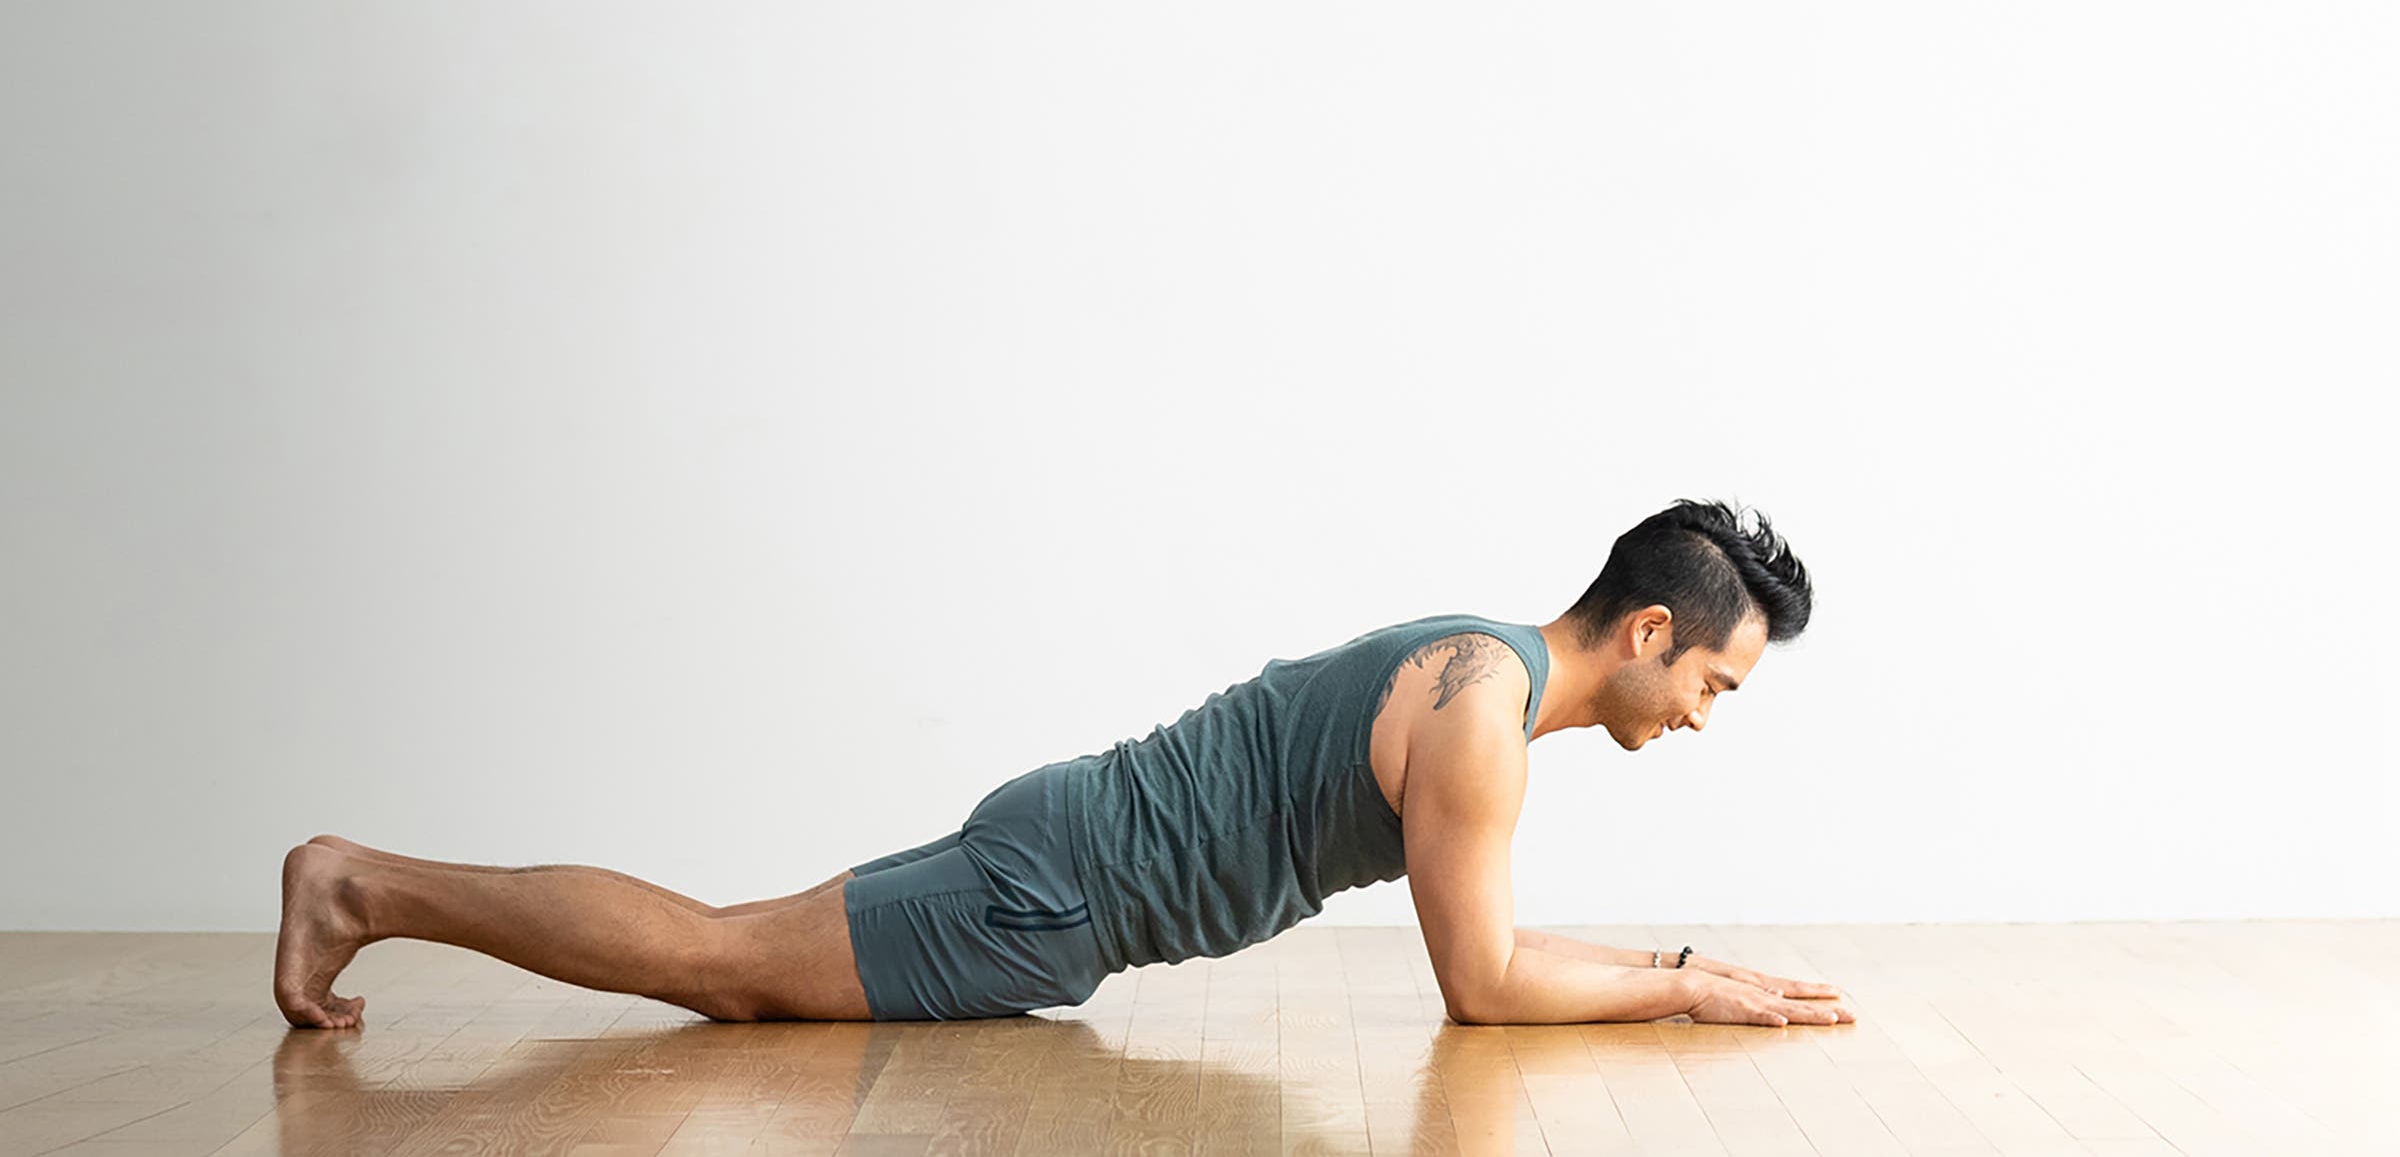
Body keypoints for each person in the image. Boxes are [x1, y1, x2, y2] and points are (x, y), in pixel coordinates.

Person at [275, 497, 1853, 1030]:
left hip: (1060, 851)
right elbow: (1484, 984)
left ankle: (369, 888)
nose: (1704, 715)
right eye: (1712, 682)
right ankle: (363, 887)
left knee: (728, 949)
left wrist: (1677, 964)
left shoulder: (1479, 663)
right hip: (1056, 893)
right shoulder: (1481, 727)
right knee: (720, 962)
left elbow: (1492, 943)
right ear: (1650, 629)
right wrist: (1685, 987)